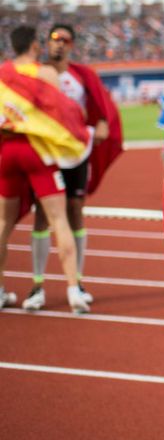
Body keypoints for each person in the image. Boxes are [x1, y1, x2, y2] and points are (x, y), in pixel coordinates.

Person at [20, 24, 120, 311]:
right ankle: (37, 285)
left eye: (64, 40)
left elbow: (102, 110)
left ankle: (76, 281)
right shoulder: (38, 73)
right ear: (46, 44)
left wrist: (101, 124)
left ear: (72, 45)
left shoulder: (82, 76)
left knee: (75, 210)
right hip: (47, 154)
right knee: (43, 216)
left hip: (77, 155)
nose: (59, 44)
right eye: (54, 39)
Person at [0, 25, 90, 313]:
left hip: (6, 152)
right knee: (58, 219)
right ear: (36, 46)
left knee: (3, 224)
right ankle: (74, 289)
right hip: (37, 151)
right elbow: (62, 112)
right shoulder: (46, 73)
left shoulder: (2, 74)